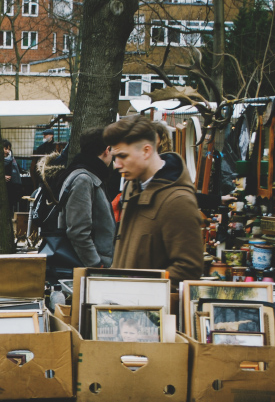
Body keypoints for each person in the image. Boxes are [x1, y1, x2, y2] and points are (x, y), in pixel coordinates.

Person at [104, 115, 203, 286]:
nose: (117, 164)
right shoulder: (131, 187)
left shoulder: (178, 201)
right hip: (121, 304)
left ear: (146, 151)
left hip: (149, 309)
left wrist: (137, 288)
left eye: (123, 156)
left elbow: (188, 268)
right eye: (115, 156)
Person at [56, 127, 115, 268]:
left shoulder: (88, 174)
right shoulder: (84, 179)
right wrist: (96, 264)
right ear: (107, 150)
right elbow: (78, 231)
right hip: (89, 267)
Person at [2, 139, 23, 213]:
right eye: (5, 149)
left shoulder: (12, 160)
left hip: (10, 188)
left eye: (9, 149)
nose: (7, 151)